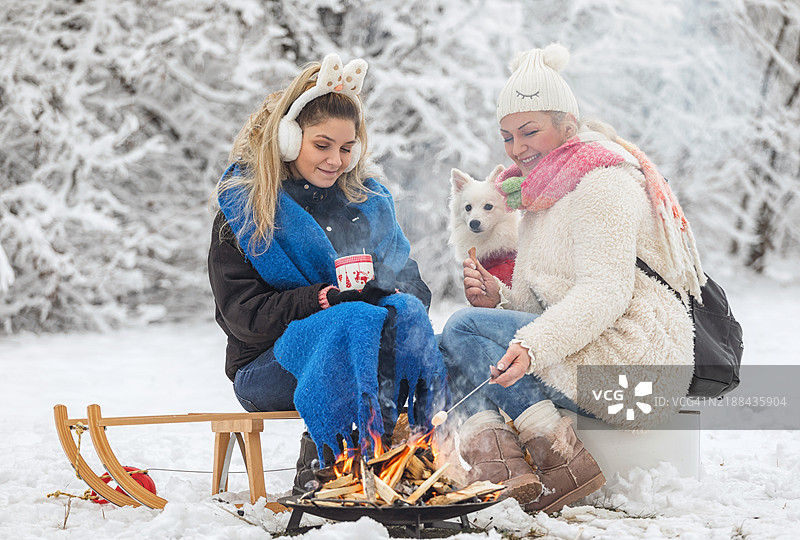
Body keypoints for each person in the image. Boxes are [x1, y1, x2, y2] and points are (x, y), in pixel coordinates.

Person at [438, 43, 705, 514]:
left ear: (567, 127)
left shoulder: (603, 183)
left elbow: (606, 292)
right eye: (507, 136)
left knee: (461, 330)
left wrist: (531, 344)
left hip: (635, 376)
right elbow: (543, 306)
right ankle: (518, 471)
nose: (517, 148)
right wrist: (500, 300)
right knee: (456, 339)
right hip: (592, 355)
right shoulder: (542, 197)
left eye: (529, 131)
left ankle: (541, 465)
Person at [208, 53, 447, 494]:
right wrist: (323, 300)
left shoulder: (369, 203)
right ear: (288, 139)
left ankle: (412, 459)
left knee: (409, 323)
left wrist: (387, 289)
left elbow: (415, 287)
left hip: (367, 353)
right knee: (348, 322)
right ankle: (327, 464)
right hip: (268, 367)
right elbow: (243, 316)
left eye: (346, 148)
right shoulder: (245, 212)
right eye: (322, 145)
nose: (336, 159)